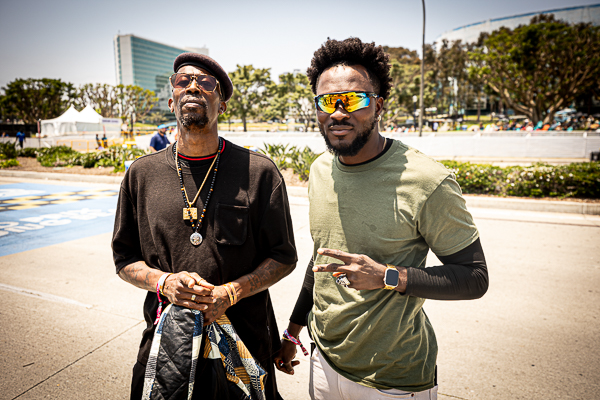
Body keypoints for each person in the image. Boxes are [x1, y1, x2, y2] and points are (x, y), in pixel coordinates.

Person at [274, 38, 489, 400]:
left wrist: (390, 276)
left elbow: (475, 277)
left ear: (378, 105)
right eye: (327, 102)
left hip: (393, 377)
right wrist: (293, 332)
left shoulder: (426, 180)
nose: (338, 113)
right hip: (323, 360)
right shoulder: (321, 170)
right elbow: (321, 259)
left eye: (353, 100)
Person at [112, 52, 297, 399]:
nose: (193, 87)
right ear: (172, 101)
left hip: (244, 346)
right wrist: (164, 282)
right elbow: (124, 260)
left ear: (221, 106)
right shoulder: (141, 174)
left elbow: (284, 257)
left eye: (206, 83)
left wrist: (231, 293)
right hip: (168, 347)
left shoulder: (259, 172)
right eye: (183, 81)